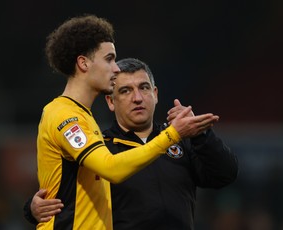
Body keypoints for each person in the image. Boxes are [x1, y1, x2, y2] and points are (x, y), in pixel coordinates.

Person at [32, 15, 216, 230]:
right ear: (83, 63)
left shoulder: (84, 117)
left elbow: (67, 186)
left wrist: (32, 206)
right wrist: (172, 135)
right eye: (109, 59)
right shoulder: (64, 115)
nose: (116, 68)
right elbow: (111, 168)